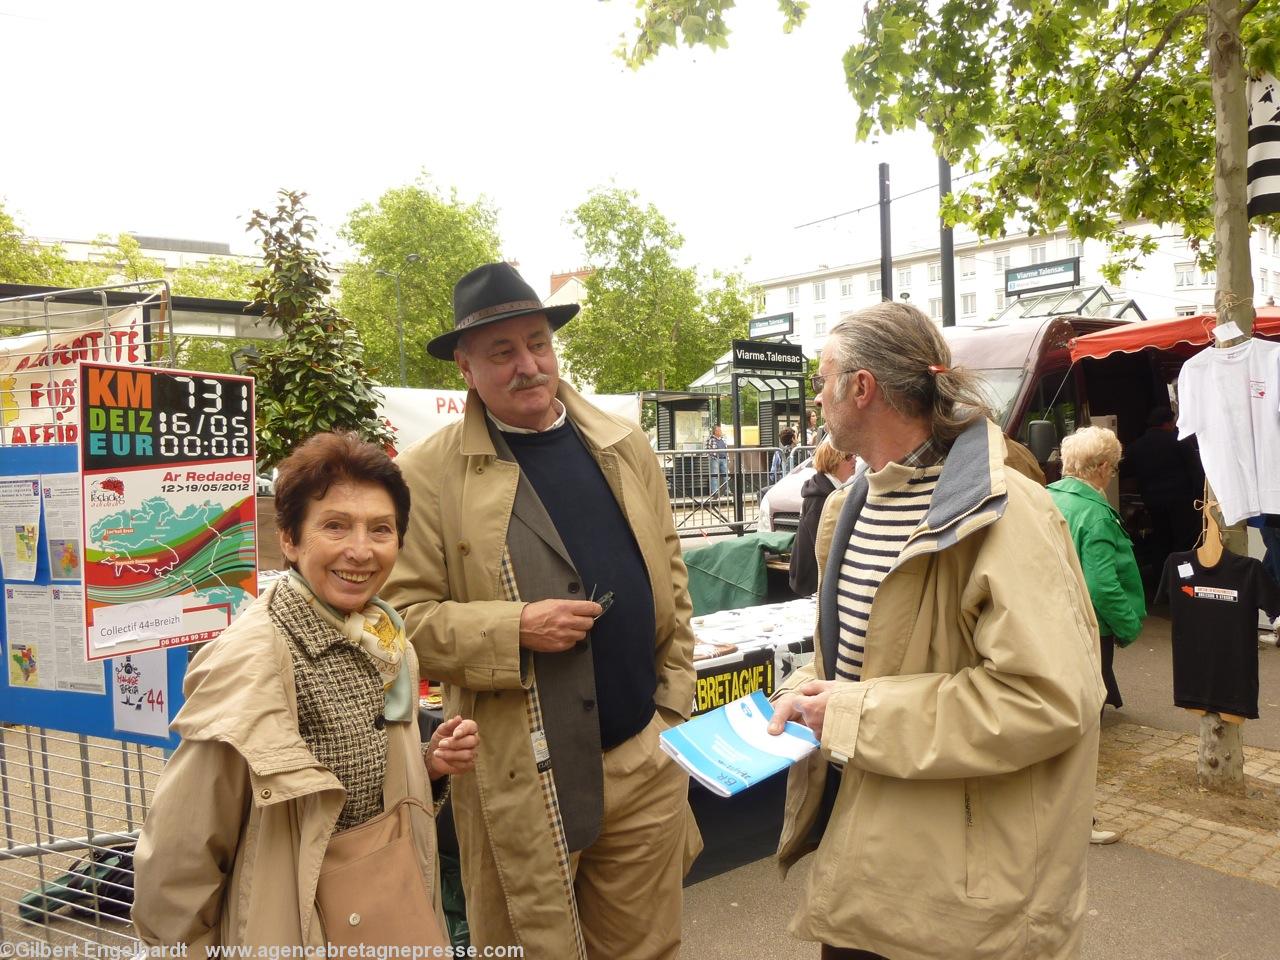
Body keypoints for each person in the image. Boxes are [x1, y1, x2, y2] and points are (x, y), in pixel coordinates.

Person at [382, 262, 700, 959]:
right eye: (501, 353)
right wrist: (515, 628)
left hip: (642, 758)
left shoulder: (623, 445)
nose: (527, 365)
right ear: (466, 368)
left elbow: (672, 580)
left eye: (537, 344)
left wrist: (671, 708)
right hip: (520, 777)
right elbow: (398, 621)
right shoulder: (427, 475)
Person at [767, 303, 1104, 960]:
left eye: (822, 377)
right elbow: (862, 660)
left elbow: (1048, 698)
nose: (814, 396)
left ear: (860, 388)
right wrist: (805, 691)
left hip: (958, 909)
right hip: (863, 879)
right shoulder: (849, 507)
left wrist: (846, 713)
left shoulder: (1008, 512)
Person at [133, 432, 479, 950]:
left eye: (381, 529)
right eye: (335, 526)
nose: (360, 551)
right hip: (289, 925)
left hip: (386, 910)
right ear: (290, 540)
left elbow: (361, 786)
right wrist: (177, 945)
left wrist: (428, 766)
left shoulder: (388, 642)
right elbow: (183, 847)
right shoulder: (252, 660)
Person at [1049, 426, 1146, 713]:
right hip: (1089, 625)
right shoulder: (1097, 516)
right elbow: (1102, 585)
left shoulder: (1044, 497)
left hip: (1053, 617)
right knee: (1088, 710)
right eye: (1114, 468)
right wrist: (1128, 625)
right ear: (1103, 467)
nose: (1112, 474)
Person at [1125, 407, 1203, 570]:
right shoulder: (1179, 440)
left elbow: (1128, 472)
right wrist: (1199, 497)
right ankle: (1184, 576)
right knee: (1184, 541)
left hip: (1153, 502)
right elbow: (1195, 470)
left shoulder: (1136, 446)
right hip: (1181, 501)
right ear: (1168, 423)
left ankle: (1162, 578)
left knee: (1161, 539)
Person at [789, 440, 856, 596]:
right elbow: (825, 548)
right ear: (833, 462)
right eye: (848, 457)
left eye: (853, 455)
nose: (854, 459)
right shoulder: (820, 499)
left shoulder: (828, 490)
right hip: (812, 583)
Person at [706, 422, 730, 495]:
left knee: (726, 475)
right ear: (715, 432)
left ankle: (726, 491)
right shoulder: (711, 439)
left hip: (724, 458)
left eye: (720, 430)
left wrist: (727, 458)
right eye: (719, 430)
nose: (720, 432)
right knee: (714, 475)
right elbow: (707, 449)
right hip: (715, 459)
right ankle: (715, 492)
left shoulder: (723, 439)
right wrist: (712, 457)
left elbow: (726, 448)